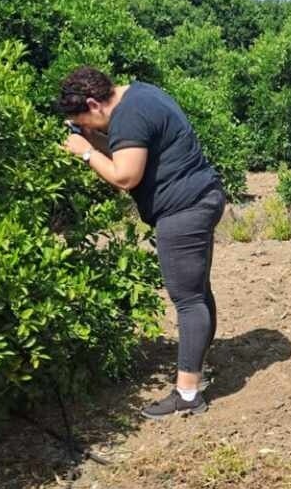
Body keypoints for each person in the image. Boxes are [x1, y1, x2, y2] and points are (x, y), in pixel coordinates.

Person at [55, 66, 224, 419]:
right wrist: (90, 138)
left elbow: (125, 175)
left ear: (93, 103)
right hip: (200, 198)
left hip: (183, 211)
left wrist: (85, 152)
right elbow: (124, 147)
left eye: (86, 118)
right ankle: (196, 370)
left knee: (188, 299)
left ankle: (188, 394)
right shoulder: (138, 95)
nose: (89, 127)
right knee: (197, 292)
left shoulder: (130, 114)